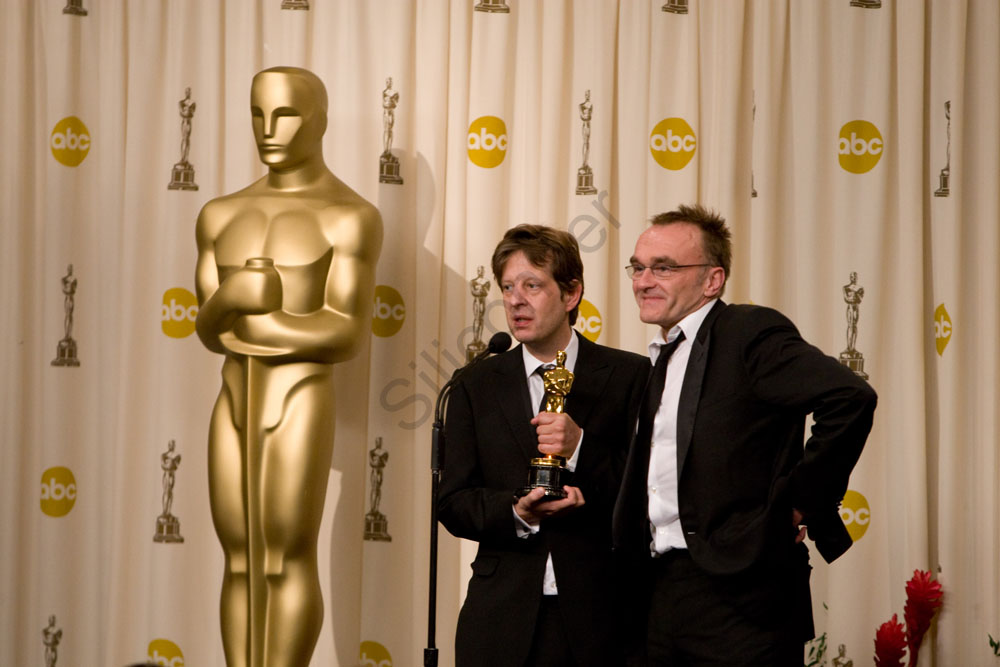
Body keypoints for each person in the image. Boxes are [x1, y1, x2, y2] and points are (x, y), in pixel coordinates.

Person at [613, 204, 877, 665]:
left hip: (742, 595)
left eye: (664, 268)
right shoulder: (661, 356)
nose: (643, 281)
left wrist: (799, 501)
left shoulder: (748, 332)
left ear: (712, 280)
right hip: (661, 589)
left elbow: (850, 398)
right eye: (638, 267)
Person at [194, 66, 382, 667]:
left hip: (299, 395)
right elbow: (208, 329)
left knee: (283, 557)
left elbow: (345, 332)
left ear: (320, 121)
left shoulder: (348, 216)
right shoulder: (220, 214)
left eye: (286, 115)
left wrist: (254, 318)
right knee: (240, 559)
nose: (268, 130)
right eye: (258, 114)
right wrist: (234, 298)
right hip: (233, 396)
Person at [438, 225, 649, 667]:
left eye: (532, 286)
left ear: (571, 294)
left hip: (606, 617)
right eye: (508, 288)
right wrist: (517, 512)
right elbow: (454, 501)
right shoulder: (474, 384)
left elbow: (651, 488)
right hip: (500, 619)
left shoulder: (632, 376)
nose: (516, 300)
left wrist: (581, 447)